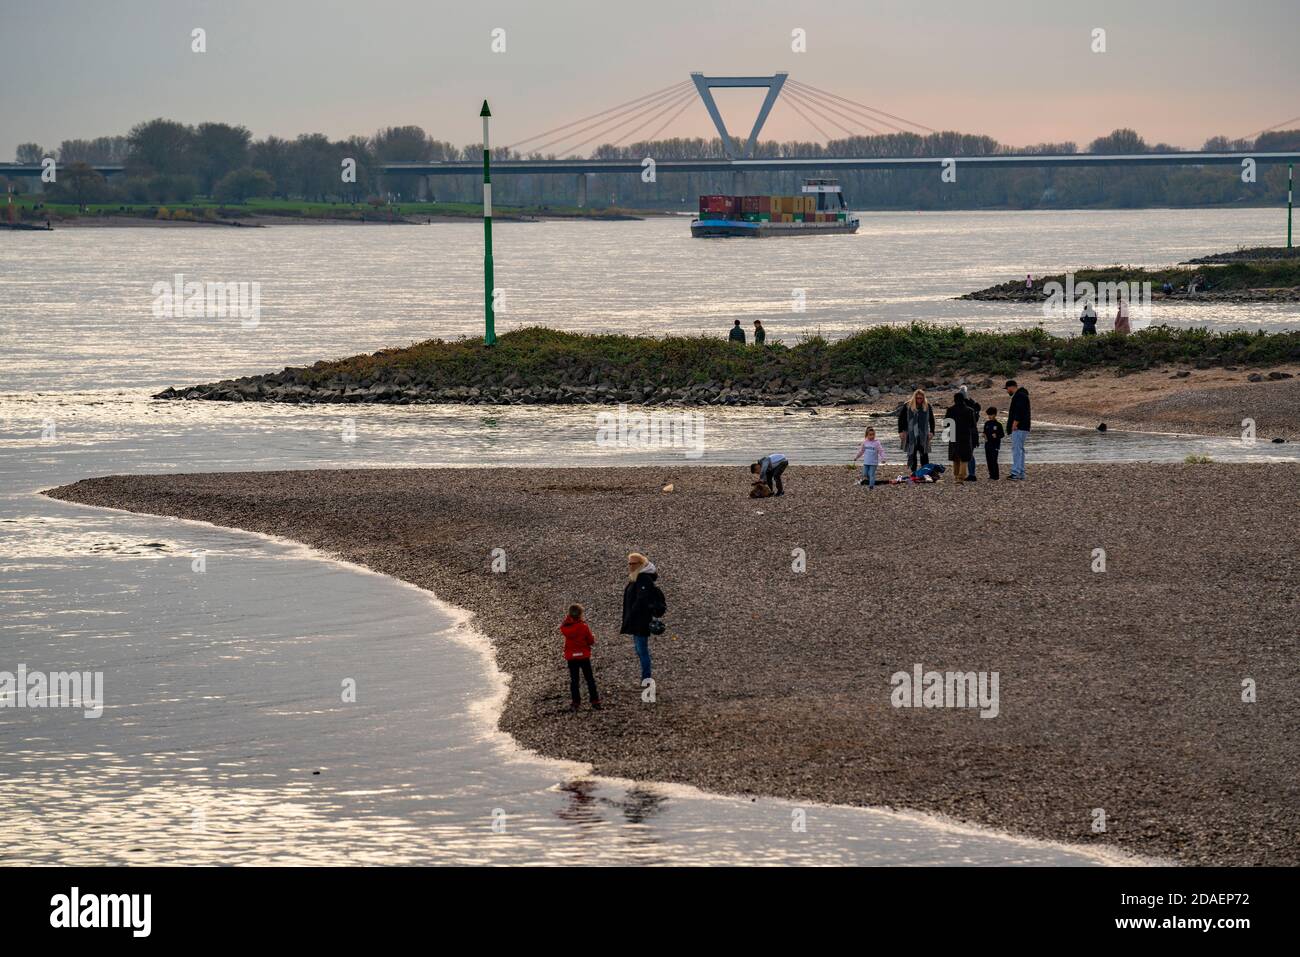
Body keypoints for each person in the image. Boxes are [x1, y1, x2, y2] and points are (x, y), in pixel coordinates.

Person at [621, 553, 665, 684]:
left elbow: (642, 599)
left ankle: (646, 679)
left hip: (641, 620)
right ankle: (645, 677)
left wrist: (632, 613)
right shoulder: (636, 577)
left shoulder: (643, 578)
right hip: (636, 619)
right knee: (639, 650)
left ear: (640, 564)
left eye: (633, 563)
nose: (630, 566)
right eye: (629, 563)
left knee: (642, 650)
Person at [561, 604, 600, 711]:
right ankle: (595, 700)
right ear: (580, 615)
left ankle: (575, 702)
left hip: (572, 657)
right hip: (583, 656)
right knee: (589, 679)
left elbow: (564, 625)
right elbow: (590, 641)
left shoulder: (566, 628)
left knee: (574, 680)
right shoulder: (583, 627)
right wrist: (592, 638)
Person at [896, 389, 936, 474]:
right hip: (911, 434)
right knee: (912, 453)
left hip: (923, 434)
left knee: (924, 453)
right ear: (914, 397)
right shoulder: (907, 405)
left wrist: (932, 431)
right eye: (917, 398)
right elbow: (901, 419)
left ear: (923, 398)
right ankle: (913, 472)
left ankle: (925, 471)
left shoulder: (927, 406)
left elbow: (931, 419)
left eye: (921, 398)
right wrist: (900, 431)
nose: (919, 400)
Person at [943, 393, 975, 481]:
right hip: (965, 435)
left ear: (954, 399)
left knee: (955, 456)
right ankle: (962, 476)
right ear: (963, 399)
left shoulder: (950, 410)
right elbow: (972, 425)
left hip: (953, 434)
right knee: (964, 457)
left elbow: (946, 424)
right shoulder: (969, 410)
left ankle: (956, 476)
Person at [1004, 380, 1031, 480]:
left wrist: (1014, 424)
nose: (1007, 391)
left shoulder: (1019, 396)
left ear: (1011, 387)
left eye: (1007, 388)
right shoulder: (1022, 395)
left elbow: (1019, 411)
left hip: (1019, 427)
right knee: (1020, 449)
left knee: (1016, 450)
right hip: (1023, 426)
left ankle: (1015, 472)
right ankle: (1021, 472)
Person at [959, 386, 981, 481]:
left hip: (969, 433)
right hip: (971, 433)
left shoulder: (968, 406)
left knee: (969, 454)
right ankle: (970, 473)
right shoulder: (973, 405)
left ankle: (971, 474)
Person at [983, 406, 1004, 480]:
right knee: (988, 460)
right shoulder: (987, 423)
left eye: (991, 415)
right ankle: (991, 475)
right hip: (987, 444)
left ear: (995, 415)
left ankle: (996, 476)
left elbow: (1002, 435)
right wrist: (984, 436)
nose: (989, 416)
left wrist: (996, 435)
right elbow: (984, 432)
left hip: (995, 445)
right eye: (988, 415)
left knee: (994, 460)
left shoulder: (998, 424)